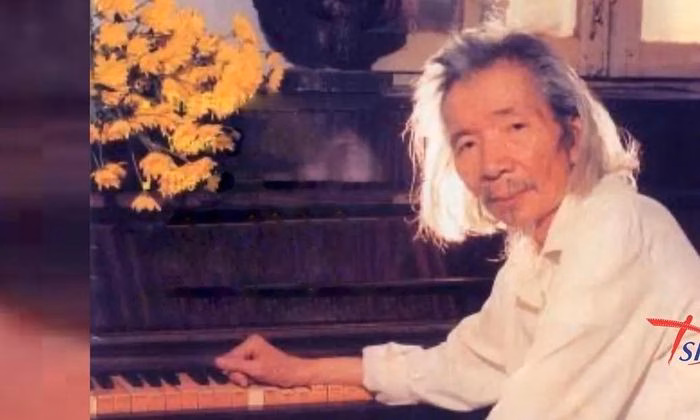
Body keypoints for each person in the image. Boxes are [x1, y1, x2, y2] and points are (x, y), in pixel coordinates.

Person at [215, 28, 700, 419]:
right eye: (467, 142)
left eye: (515, 127)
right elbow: (466, 365)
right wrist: (300, 371)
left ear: (571, 135)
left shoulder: (615, 227)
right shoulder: (537, 250)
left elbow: (545, 408)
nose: (491, 164)